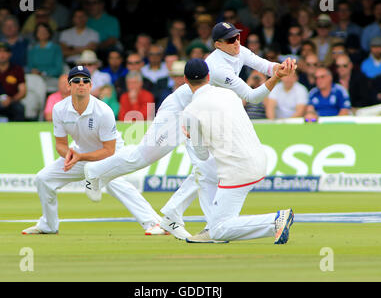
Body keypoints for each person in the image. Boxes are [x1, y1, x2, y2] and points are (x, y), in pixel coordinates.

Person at [84, 22, 296, 240]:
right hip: (180, 112)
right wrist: (279, 77)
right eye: (231, 40)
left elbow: (266, 66)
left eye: (237, 37)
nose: (237, 43)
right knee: (143, 157)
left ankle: (177, 217)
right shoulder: (216, 66)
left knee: (207, 170)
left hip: (205, 113)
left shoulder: (239, 50)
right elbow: (252, 97)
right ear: (217, 44)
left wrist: (281, 68)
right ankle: (95, 171)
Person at [21, 66, 166, 236]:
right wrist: (68, 155)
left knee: (113, 183)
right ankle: (48, 225)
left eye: (85, 81)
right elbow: (60, 143)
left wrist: (79, 156)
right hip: (80, 153)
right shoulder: (59, 109)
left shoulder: (103, 111)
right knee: (43, 178)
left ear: (90, 86)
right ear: (69, 86)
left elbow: (109, 150)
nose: (81, 84)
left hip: (109, 154)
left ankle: (154, 222)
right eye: (76, 81)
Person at [181, 58, 294, 244]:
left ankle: (274, 221)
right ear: (208, 77)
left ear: (185, 80)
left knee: (218, 231)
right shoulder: (229, 95)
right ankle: (217, 227)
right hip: (258, 158)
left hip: (237, 170)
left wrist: (192, 137)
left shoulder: (190, 111)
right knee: (219, 223)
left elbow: (201, 156)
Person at [0, 42, 26, 121]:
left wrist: (11, 100)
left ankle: (18, 132)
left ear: (10, 54)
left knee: (19, 108)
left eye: (5, 51)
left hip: (12, 101)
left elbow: (23, 91)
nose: (2, 54)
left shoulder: (17, 69)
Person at [26, 23, 64, 93]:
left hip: (51, 79)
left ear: (49, 33)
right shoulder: (33, 50)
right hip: (36, 78)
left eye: (44, 31)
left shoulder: (56, 48)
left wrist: (43, 73)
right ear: (36, 34)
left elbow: (58, 69)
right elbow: (30, 66)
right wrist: (33, 71)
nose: (42, 33)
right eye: (39, 31)